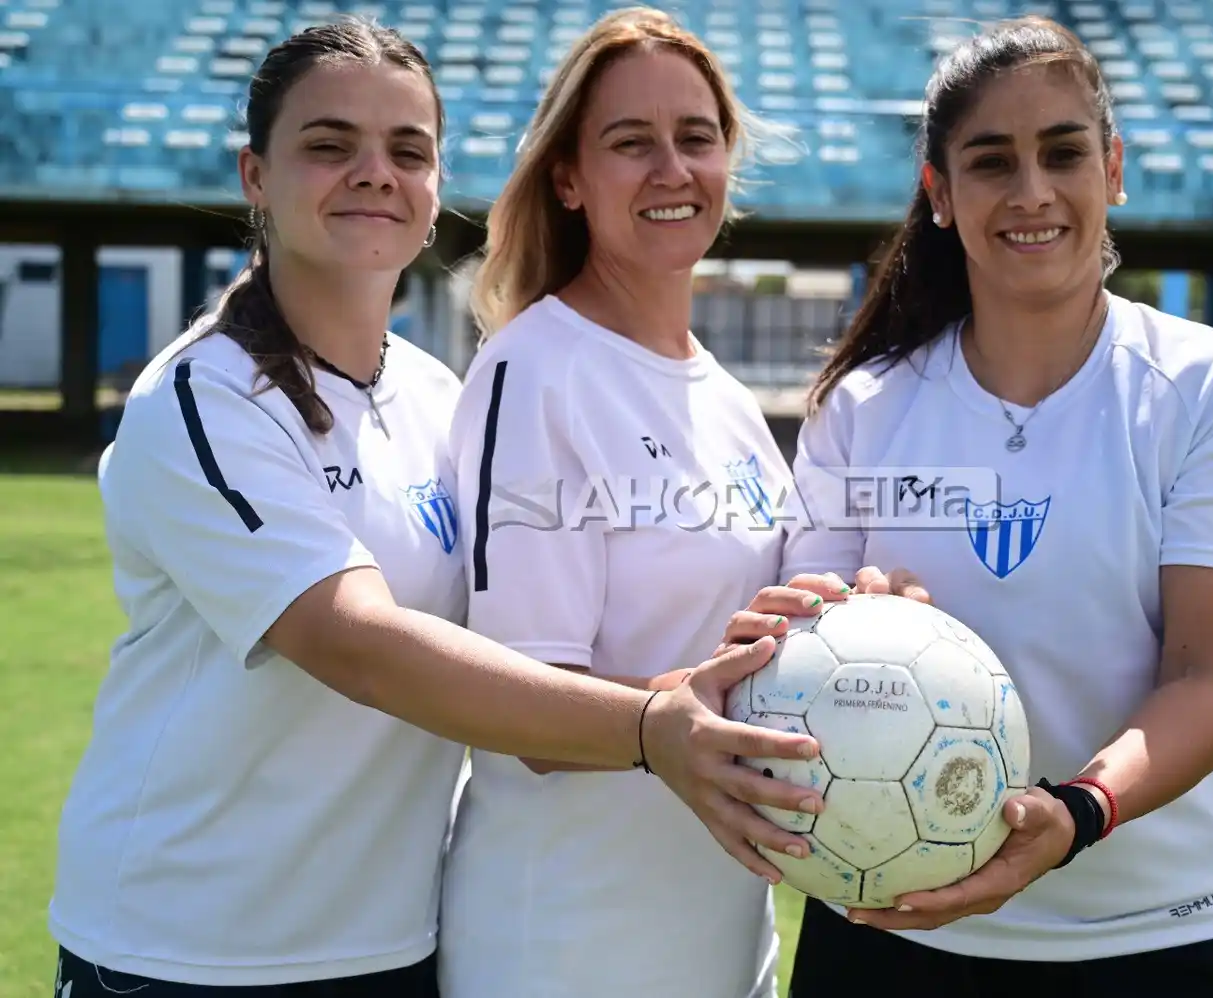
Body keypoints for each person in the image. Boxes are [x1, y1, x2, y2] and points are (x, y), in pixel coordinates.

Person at [46, 18, 826, 998]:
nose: (375, 172)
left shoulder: (433, 394)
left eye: (407, 151)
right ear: (254, 175)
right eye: (330, 145)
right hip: (193, 948)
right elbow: (358, 642)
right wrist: (652, 723)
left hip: (391, 942)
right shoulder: (202, 399)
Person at [776, 15, 1213, 998]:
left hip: (1158, 943)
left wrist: (1077, 811)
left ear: (1112, 168)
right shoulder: (862, 406)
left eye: (1062, 152)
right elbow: (800, 649)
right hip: (895, 934)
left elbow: (1210, 675)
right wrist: (850, 611)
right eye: (990, 161)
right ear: (940, 195)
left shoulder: (1212, 388)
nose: (1031, 193)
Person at [438, 8, 841, 998]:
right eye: (631, 142)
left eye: (696, 138)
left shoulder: (731, 399)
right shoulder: (534, 369)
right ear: (569, 178)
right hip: (568, 951)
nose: (672, 168)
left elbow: (751, 646)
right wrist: (687, 708)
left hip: (723, 943)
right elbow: (528, 710)